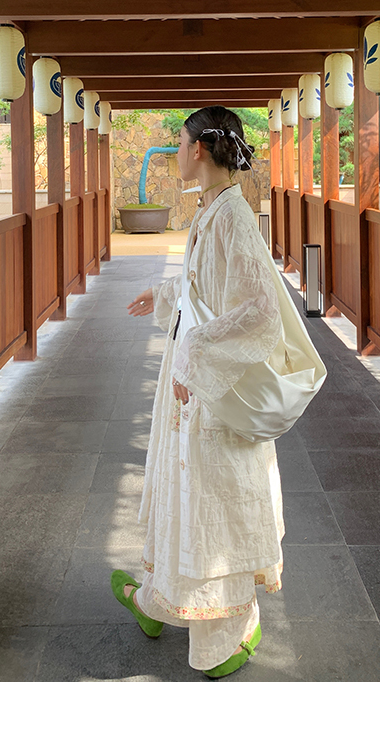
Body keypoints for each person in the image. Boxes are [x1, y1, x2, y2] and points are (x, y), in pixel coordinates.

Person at [111, 106, 285, 679]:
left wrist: (194, 351)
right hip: (194, 381)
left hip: (212, 387)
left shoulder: (232, 216)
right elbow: (204, 289)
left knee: (215, 497)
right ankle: (163, 601)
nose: (177, 150)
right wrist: (164, 295)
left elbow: (261, 312)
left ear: (199, 150)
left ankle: (222, 637)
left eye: (181, 141)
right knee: (193, 492)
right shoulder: (213, 207)